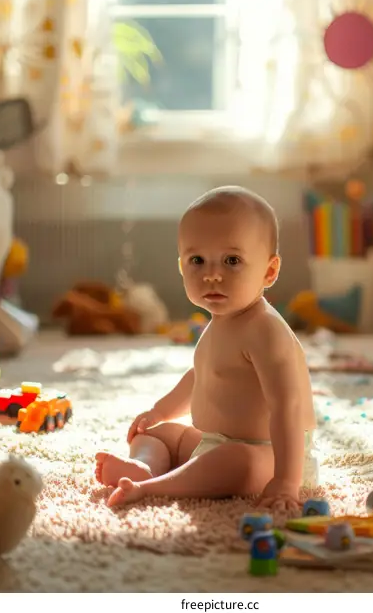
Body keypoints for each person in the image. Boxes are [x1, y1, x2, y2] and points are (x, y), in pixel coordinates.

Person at [95, 185, 317, 510]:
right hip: (216, 442)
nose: (212, 275)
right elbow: (201, 376)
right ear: (182, 267)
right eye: (198, 260)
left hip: (272, 453)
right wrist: (161, 411)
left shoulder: (266, 330)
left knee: (236, 462)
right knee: (160, 434)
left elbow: (288, 406)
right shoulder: (220, 321)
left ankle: (153, 487)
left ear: (269, 272)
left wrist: (285, 480)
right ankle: (144, 466)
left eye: (232, 260)